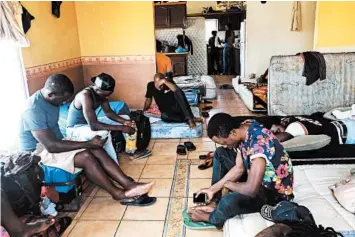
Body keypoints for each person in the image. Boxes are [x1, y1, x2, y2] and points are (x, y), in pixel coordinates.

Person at [19, 74, 155, 204]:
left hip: (56, 142)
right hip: (37, 153)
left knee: (97, 149)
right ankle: (117, 193)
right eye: (63, 100)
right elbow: (51, 146)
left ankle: (129, 184)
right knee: (86, 156)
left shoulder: (51, 101)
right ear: (50, 95)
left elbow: (56, 139)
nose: (66, 103)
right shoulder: (33, 109)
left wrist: (91, 144)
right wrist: (88, 143)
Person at [188, 113, 294, 229]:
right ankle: (216, 202)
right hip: (256, 176)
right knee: (220, 154)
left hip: (273, 193)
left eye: (224, 142)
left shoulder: (258, 145)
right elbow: (239, 168)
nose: (225, 146)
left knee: (229, 201)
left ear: (233, 133)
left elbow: (251, 190)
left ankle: (212, 218)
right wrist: (212, 189)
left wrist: (228, 184)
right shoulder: (244, 128)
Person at [66, 73, 151, 163]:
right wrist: (121, 128)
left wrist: (125, 122)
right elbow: (94, 126)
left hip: (89, 123)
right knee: (104, 133)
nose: (107, 97)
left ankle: (132, 151)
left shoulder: (101, 94)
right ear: (97, 89)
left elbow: (108, 112)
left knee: (125, 118)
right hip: (76, 128)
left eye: (108, 95)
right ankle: (113, 164)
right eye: (105, 95)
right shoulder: (85, 96)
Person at [270, 115, 355, 145]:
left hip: (347, 131)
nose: (274, 133)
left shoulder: (293, 126)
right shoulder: (292, 120)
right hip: (345, 124)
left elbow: (274, 139)